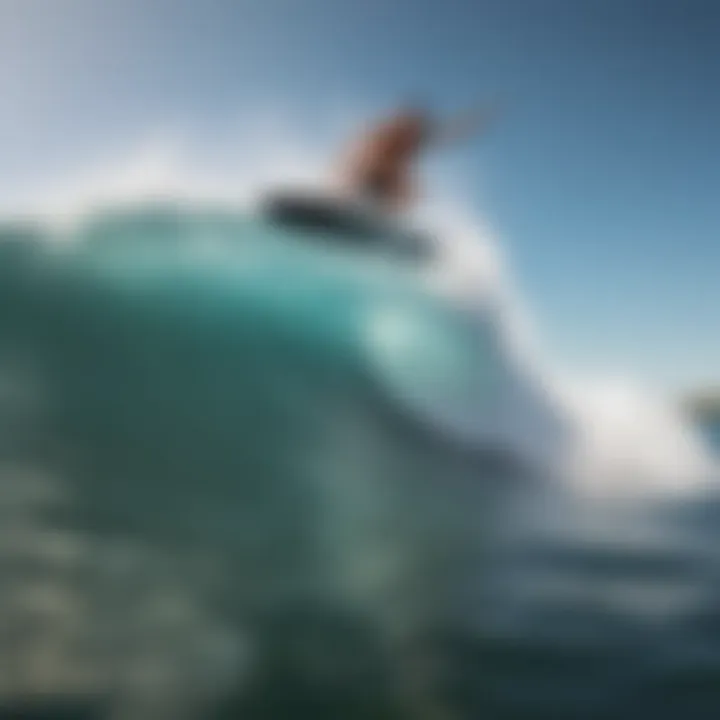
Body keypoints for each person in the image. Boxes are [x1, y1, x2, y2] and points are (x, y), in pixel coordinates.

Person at [335, 103, 493, 211]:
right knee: (372, 170)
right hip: (366, 175)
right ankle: (348, 200)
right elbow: (356, 156)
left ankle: (383, 217)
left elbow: (449, 133)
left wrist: (473, 121)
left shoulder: (416, 139)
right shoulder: (385, 135)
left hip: (385, 183)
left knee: (414, 192)